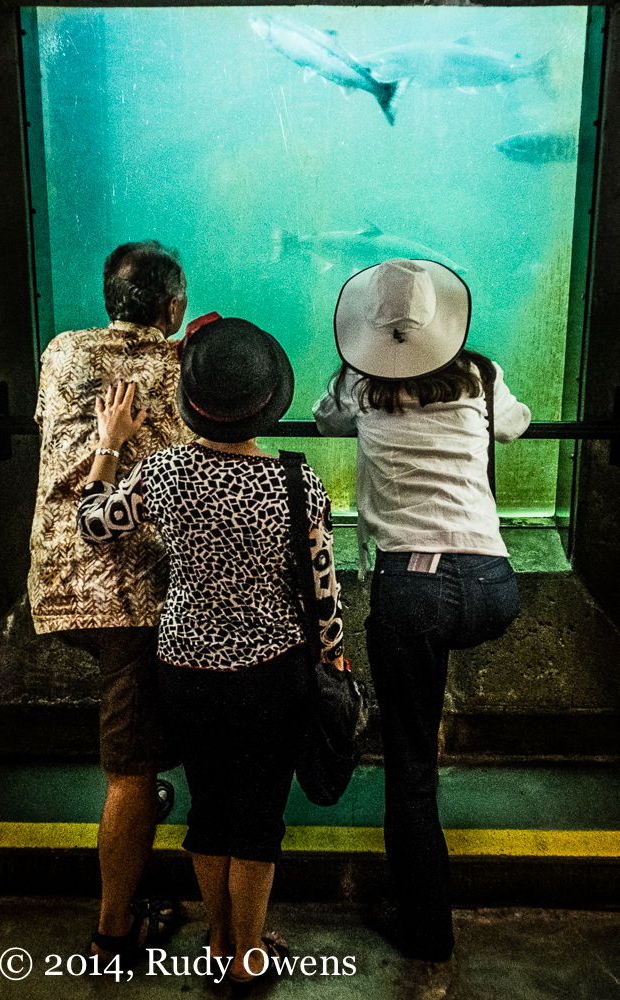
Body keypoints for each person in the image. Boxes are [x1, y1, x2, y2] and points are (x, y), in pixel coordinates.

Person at [76, 315, 344, 992]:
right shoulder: (297, 483)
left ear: (192, 401)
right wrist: (334, 659)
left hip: (183, 669)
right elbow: (323, 593)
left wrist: (109, 445)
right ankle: (248, 955)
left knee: (209, 810)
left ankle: (219, 938)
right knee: (257, 818)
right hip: (271, 674)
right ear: (267, 402)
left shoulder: (163, 472)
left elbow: (93, 525)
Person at [313, 258, 531, 997]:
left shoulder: (359, 383)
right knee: (423, 727)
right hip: (493, 585)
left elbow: (325, 419)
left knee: (411, 771)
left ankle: (426, 925)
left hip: (411, 589)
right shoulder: (481, 374)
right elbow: (515, 426)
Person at [28, 240, 193, 964]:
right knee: (131, 769)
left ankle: (140, 812)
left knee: (139, 750)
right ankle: (113, 931)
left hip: (55, 585)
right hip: (130, 598)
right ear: (173, 307)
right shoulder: (179, 369)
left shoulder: (61, 351)